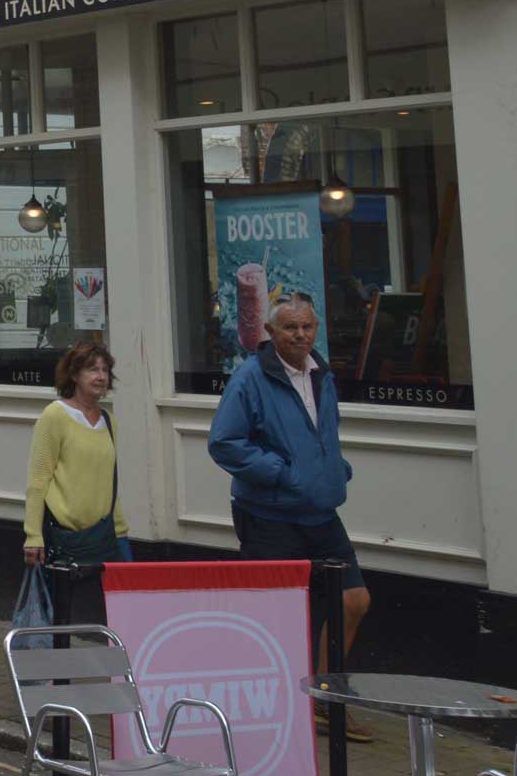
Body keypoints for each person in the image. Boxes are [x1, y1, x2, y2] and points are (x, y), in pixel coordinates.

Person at [208, 292, 372, 743]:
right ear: (270, 333)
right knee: (276, 615)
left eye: (307, 327)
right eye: (290, 328)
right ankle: (274, 708)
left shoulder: (322, 374)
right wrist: (285, 474)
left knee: (353, 600)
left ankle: (322, 700)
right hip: (268, 515)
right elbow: (224, 442)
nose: (300, 335)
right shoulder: (250, 378)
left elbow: (323, 432)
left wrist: (334, 469)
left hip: (320, 512)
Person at [22, 341, 127, 626]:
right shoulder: (54, 416)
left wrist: (120, 530)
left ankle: (121, 669)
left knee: (124, 610)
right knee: (60, 616)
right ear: (74, 375)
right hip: (63, 538)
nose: (101, 376)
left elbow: (110, 480)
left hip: (105, 535)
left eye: (105, 370)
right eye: (92, 369)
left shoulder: (109, 421)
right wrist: (33, 536)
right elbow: (38, 479)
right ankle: (56, 669)